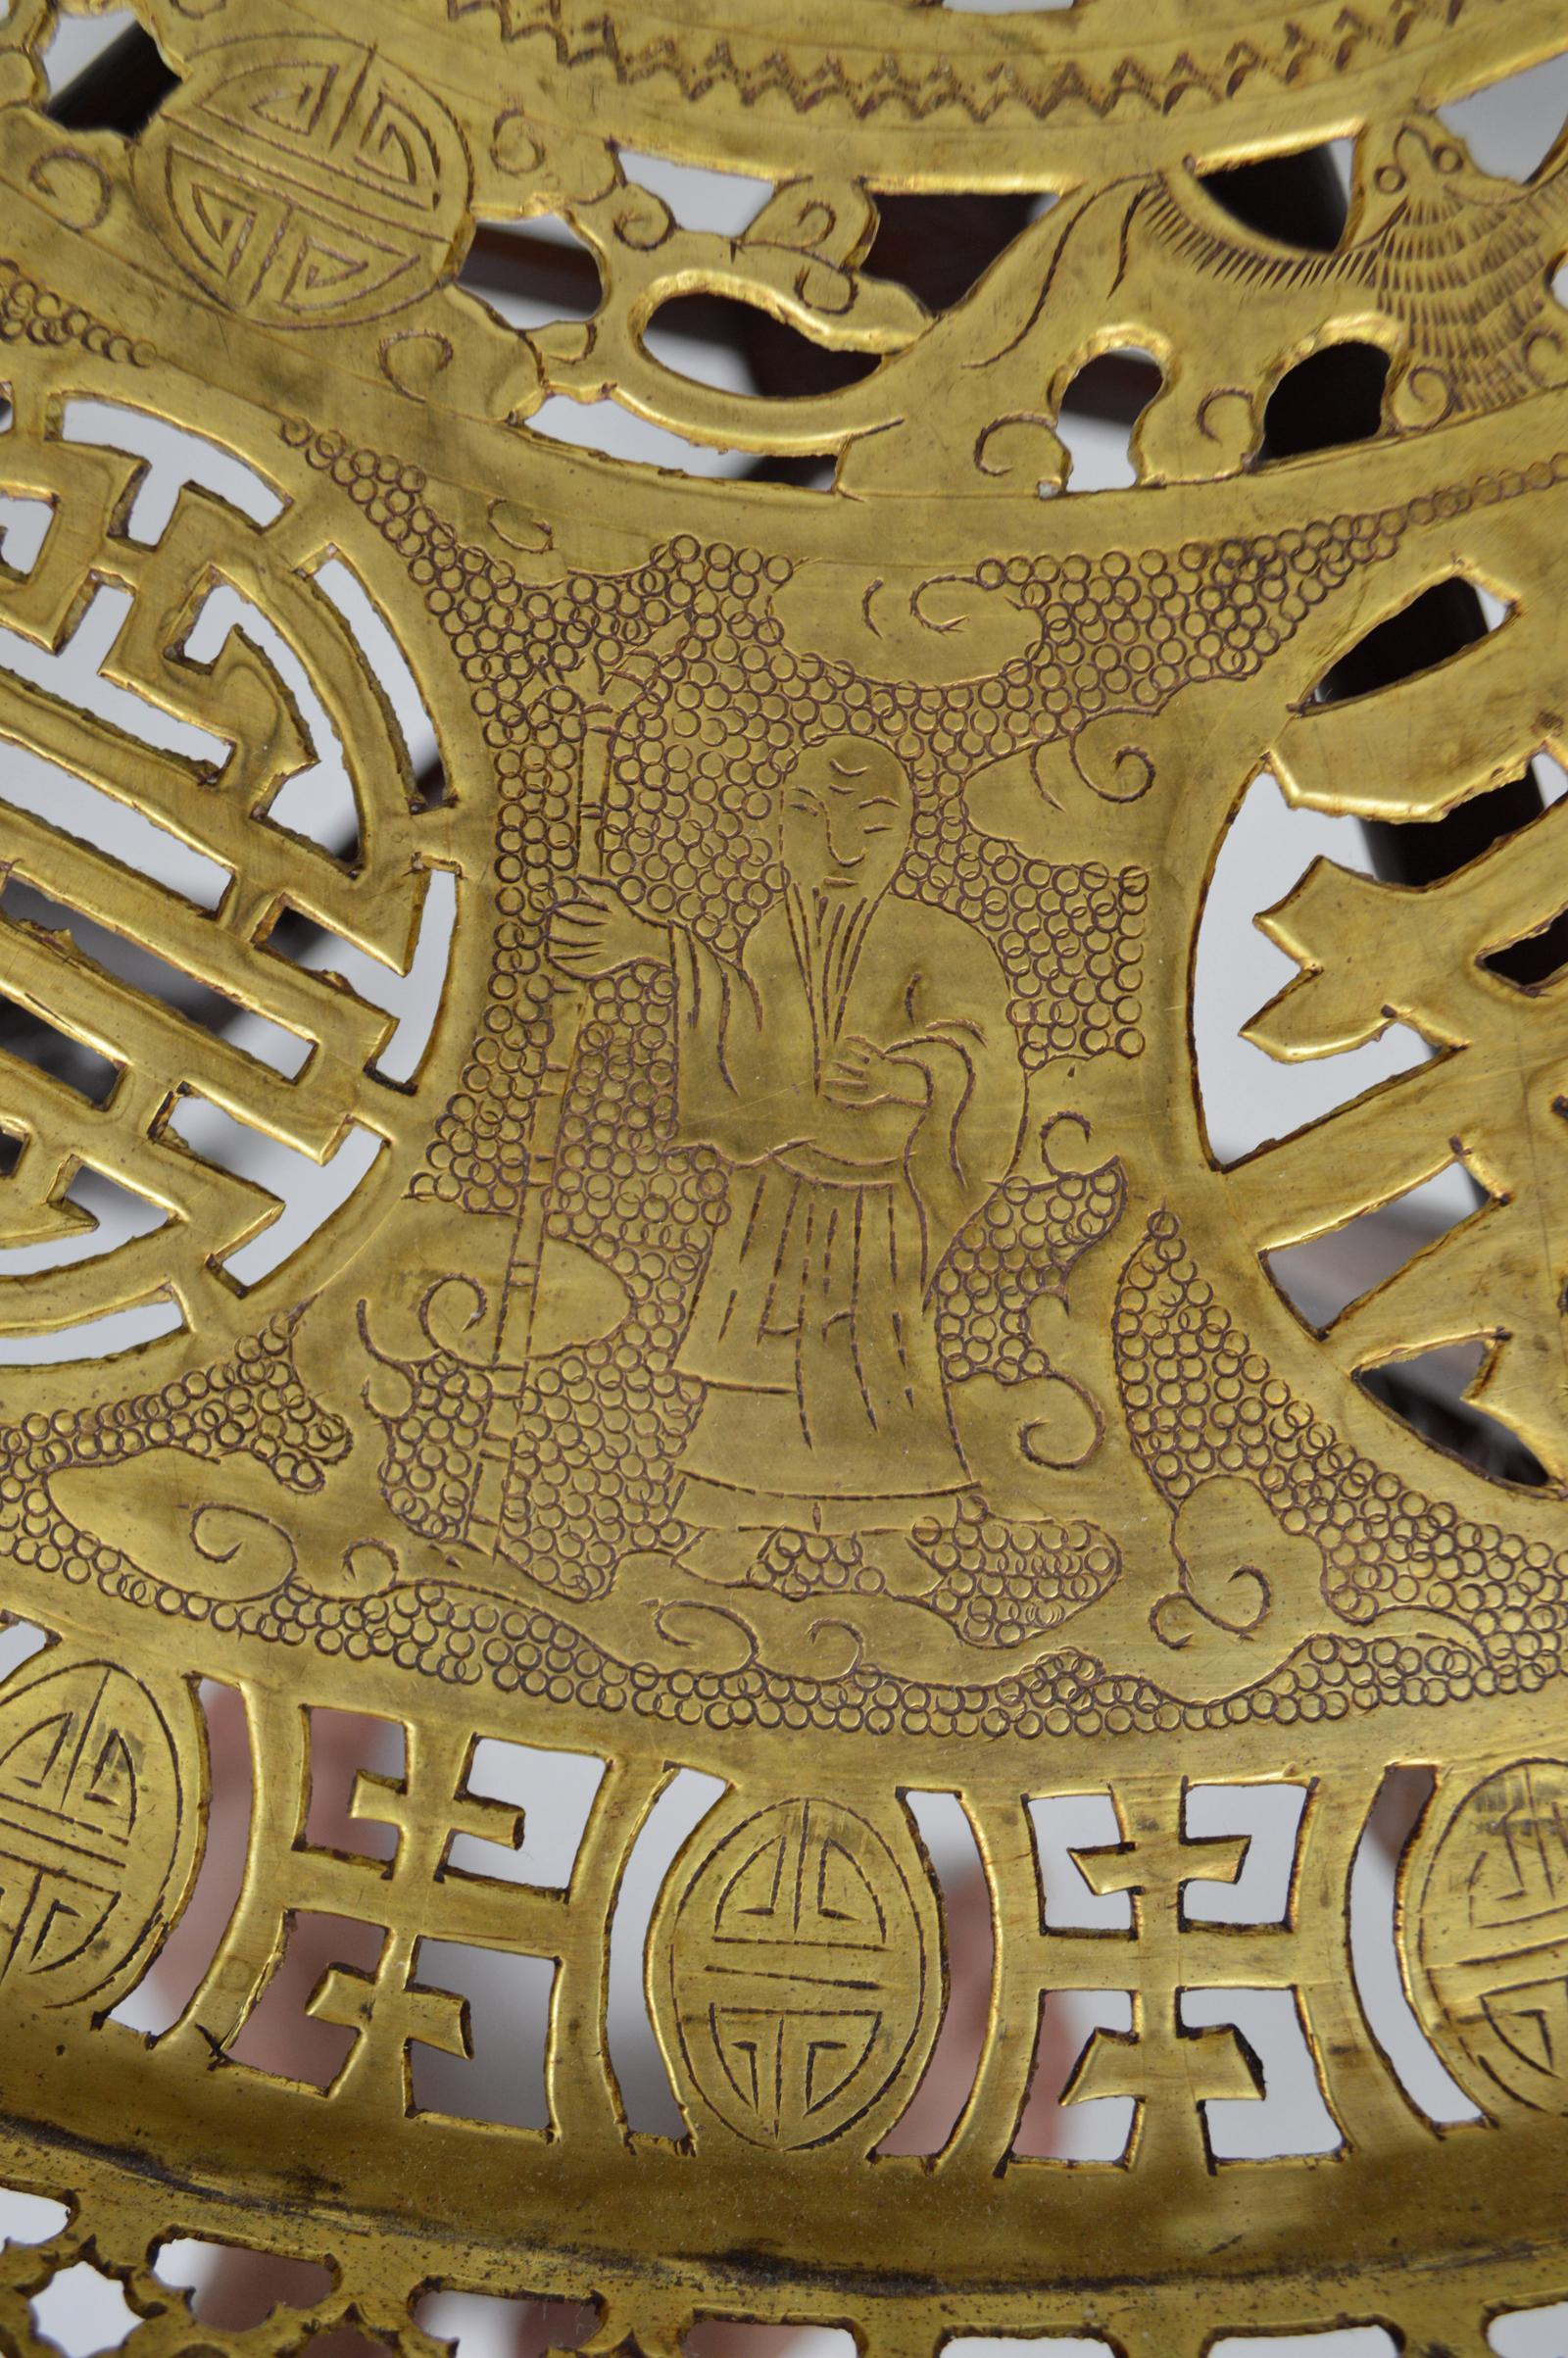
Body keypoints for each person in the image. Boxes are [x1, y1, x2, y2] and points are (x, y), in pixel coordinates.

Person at [550, 733, 1026, 1594]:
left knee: (872, 1369)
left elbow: (980, 1049)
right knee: (758, 1373)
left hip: (877, 1206)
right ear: (780, 830)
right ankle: (731, 1525)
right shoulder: (775, 933)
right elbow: (744, 1027)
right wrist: (659, 947)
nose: (841, 852)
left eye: (870, 828)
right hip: (779, 1196)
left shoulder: (935, 938)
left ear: (906, 836)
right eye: (814, 821)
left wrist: (905, 1074)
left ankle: (886, 1531)